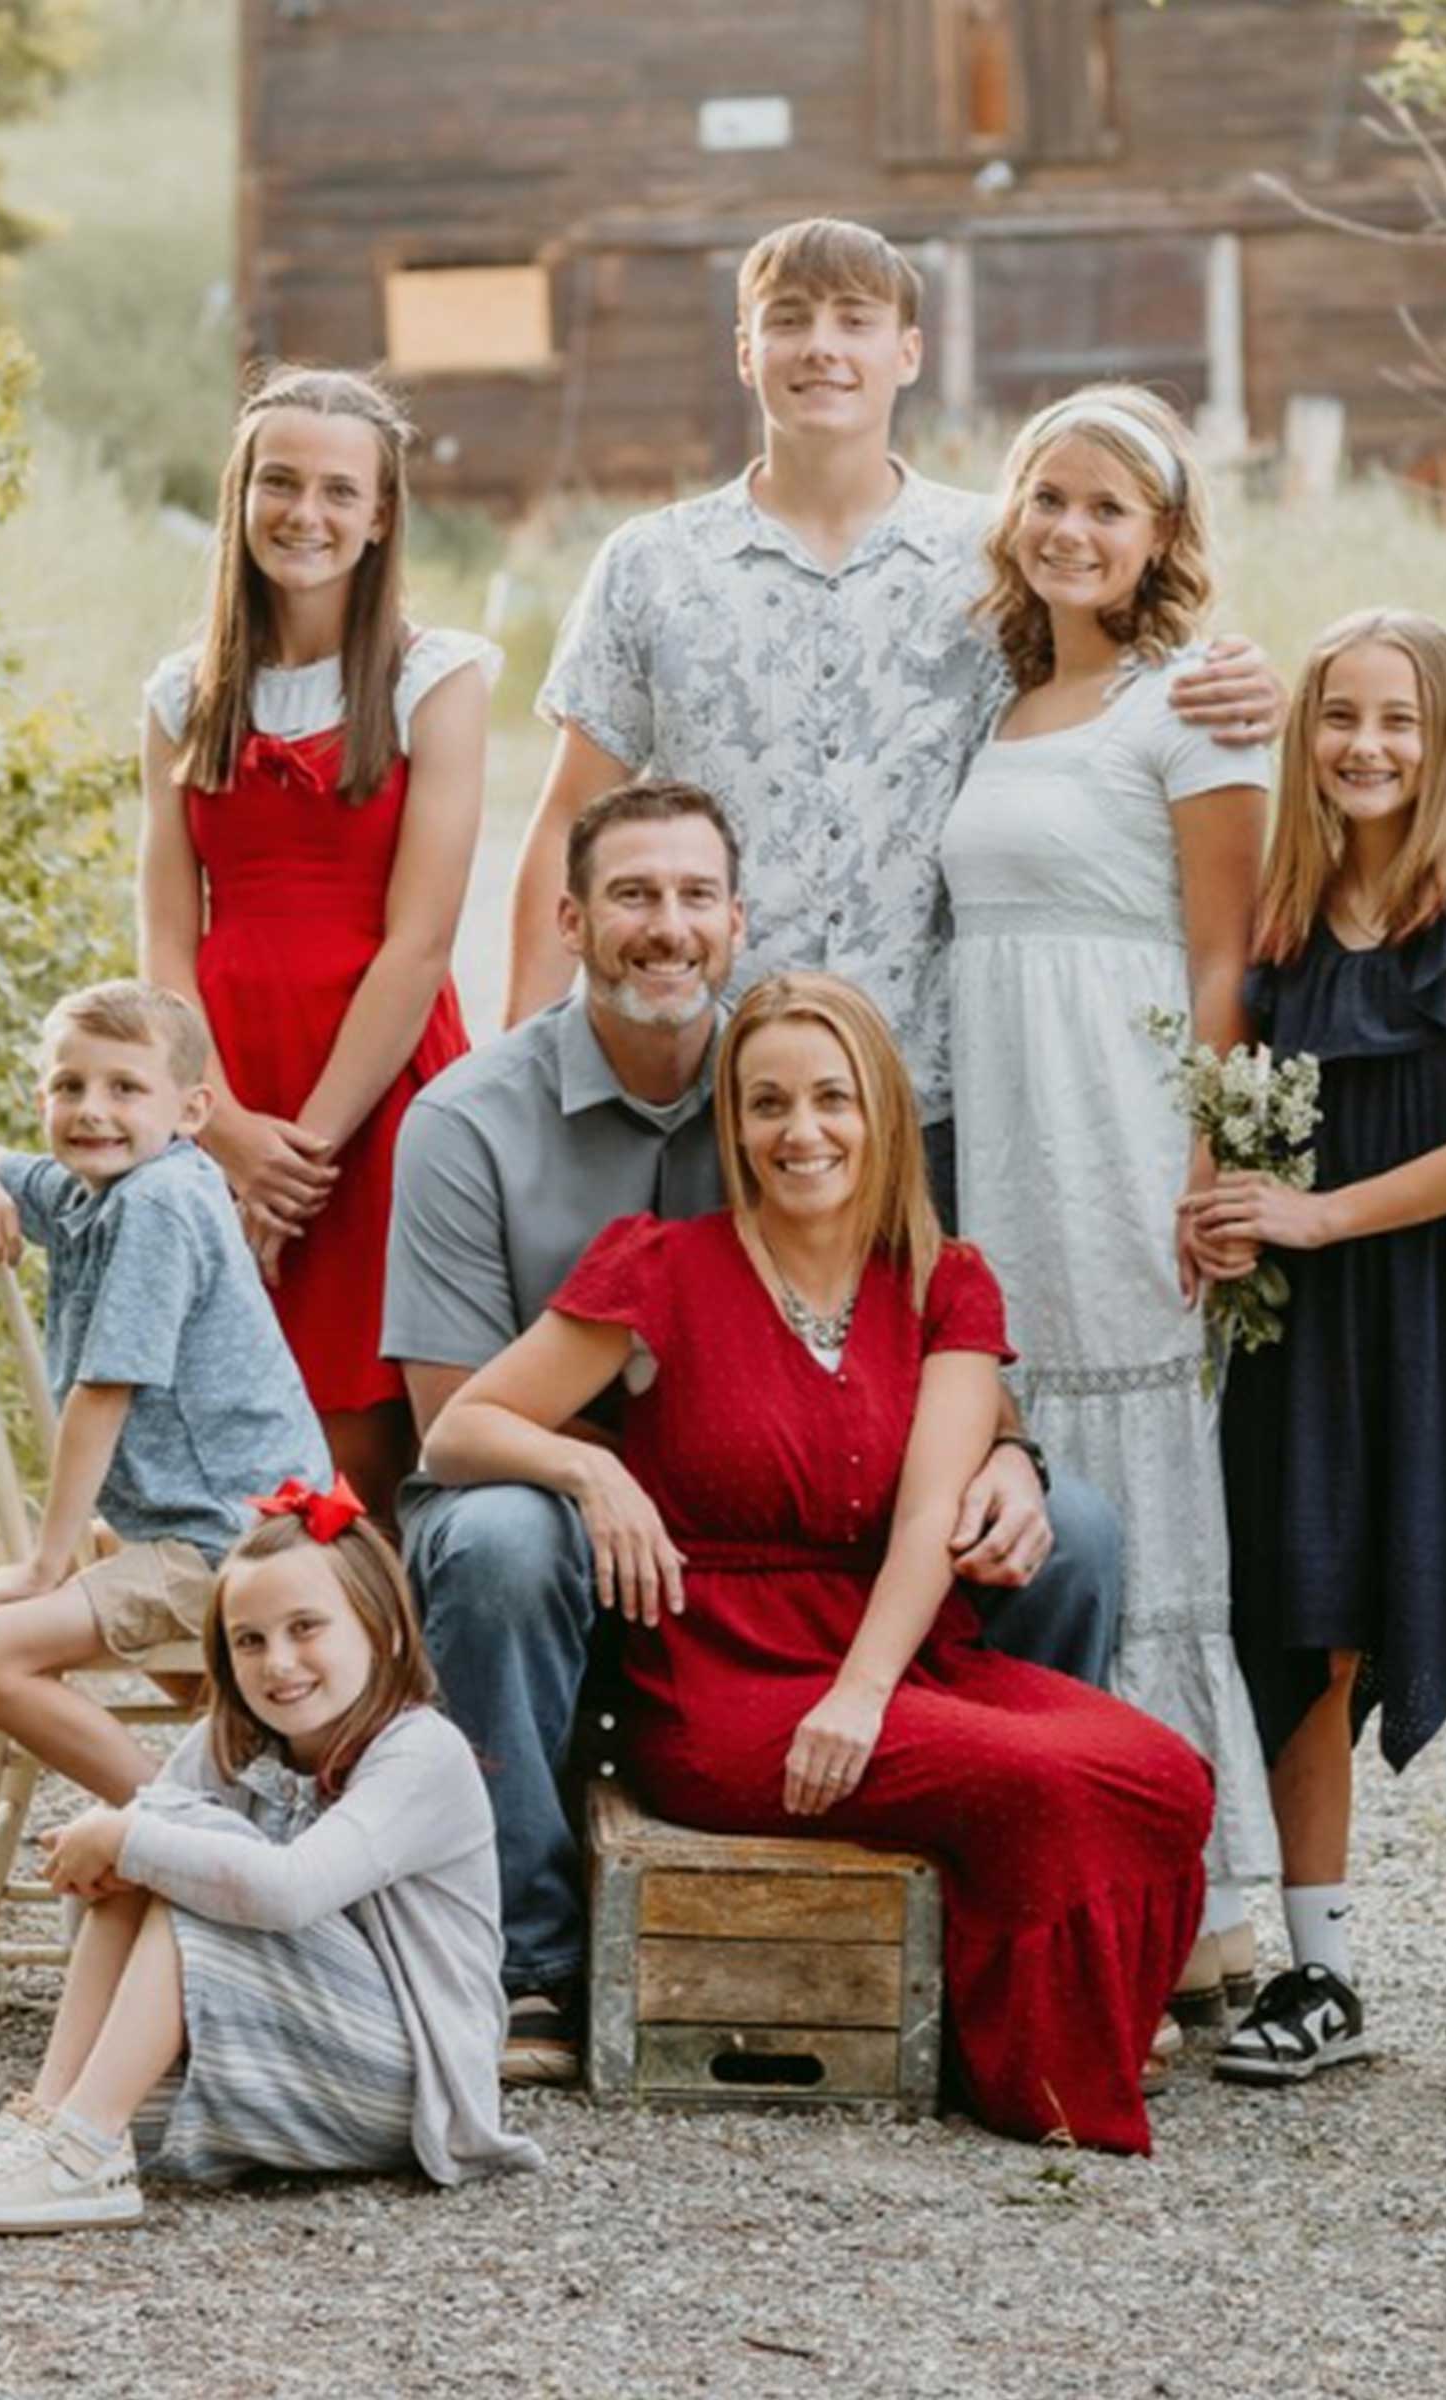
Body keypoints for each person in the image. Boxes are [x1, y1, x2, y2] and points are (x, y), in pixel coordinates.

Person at [385, 781, 1125, 2037]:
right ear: (568, 919)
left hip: (802, 1521)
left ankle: (1007, 1928)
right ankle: (530, 1963)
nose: (663, 927)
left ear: (736, 921)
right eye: (630, 896)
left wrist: (1008, 1450)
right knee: (503, 1542)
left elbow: (914, 1314)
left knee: (1077, 1531)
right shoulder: (468, 1123)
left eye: (690, 897)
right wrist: (599, 1477)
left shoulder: (804, 1069)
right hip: (577, 1519)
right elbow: (454, 1417)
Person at [427, 971, 1212, 2153]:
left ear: (881, 1113)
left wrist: (861, 1694)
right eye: (765, 1104)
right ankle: (1042, 2068)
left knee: (1162, 1773)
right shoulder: (659, 1268)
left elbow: (924, 1519)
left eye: (831, 1099)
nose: (800, 1132)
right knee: (1041, 1782)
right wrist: (596, 1471)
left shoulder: (944, 1282)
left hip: (892, 1667)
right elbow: (459, 1429)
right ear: (731, 1128)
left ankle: (1042, 1999)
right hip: (721, 1690)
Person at [507, 215, 1282, 1239]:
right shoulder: (650, 566)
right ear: (745, 352)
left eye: (853, 321)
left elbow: (1120, 681)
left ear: (904, 352)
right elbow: (570, 814)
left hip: (948, 1101)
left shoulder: (997, 558)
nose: (820, 345)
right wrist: (521, 1073)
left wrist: (1245, 677)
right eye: (787, 320)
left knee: (950, 1389)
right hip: (716, 1097)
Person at [1183, 611, 1446, 2117]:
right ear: (1305, 733)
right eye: (1339, 716)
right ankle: (1320, 1969)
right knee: (1307, 1629)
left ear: (1444, 735)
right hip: (1302, 1324)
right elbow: (1220, 1088)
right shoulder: (1278, 925)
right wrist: (1222, 1212)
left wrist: (1322, 1211)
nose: (1366, 746)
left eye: (1398, 721)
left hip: (1431, 1301)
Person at [940, 386, 1279, 2014]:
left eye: (1105, 509)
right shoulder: (998, 703)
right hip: (1003, 1119)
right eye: (1047, 499)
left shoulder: (1189, 706)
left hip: (1125, 1116)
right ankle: (1052, 1864)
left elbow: (1223, 951)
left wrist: (1210, 1154)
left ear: (1156, 541)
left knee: (1146, 1482)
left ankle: (1207, 1908)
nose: (1068, 530)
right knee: (1027, 1451)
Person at [0, 1486, 544, 2232]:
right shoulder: (230, 1741)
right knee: (161, 1833)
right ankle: (53, 2119)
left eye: (306, 1628)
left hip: (407, 2082)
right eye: (250, 1641)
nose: (280, 1663)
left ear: (384, 1632)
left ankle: (84, 2151)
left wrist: (128, 1840)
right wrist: (122, 1845)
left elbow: (291, 1892)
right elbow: (145, 1857)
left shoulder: (421, 1752)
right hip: (295, 2056)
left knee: (178, 1851)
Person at [138, 362, 496, 1526]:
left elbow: (421, 939)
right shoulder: (183, 697)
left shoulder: (433, 680)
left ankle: (391, 1686)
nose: (308, 514)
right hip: (224, 1074)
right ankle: (259, 1679)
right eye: (280, 483)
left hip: (374, 1094)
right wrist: (222, 1123)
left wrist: (298, 1158)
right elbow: (164, 929)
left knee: (370, 1435)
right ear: (240, 497)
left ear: (381, 512)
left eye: (340, 491)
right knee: (239, 1418)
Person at [0, 981, 330, 1803]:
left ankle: (185, 1830)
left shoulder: (159, 1203)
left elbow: (103, 1395)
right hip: (226, 1527)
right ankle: (249, 1794)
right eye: (70, 1087)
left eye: (125, 1088)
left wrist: (46, 1562)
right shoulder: (85, 1191)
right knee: (105, 1566)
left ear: (192, 1110)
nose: (92, 1110)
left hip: (228, 1545)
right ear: (43, 1099)